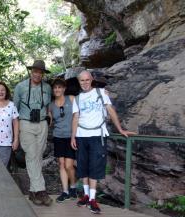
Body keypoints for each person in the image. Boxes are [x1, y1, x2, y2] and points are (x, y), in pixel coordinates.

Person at [71, 71, 136, 214]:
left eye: (87, 80)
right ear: (79, 81)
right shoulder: (77, 98)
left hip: (97, 135)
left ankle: (93, 199)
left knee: (95, 165)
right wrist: (73, 137)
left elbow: (110, 111)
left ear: (92, 79)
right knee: (83, 166)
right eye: (82, 80)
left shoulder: (101, 93)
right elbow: (76, 118)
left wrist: (120, 129)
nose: (85, 83)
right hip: (81, 135)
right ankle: (86, 195)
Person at [13, 60, 53, 206]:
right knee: (31, 155)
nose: (37, 74)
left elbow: (48, 105)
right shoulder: (20, 87)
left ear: (43, 74)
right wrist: (15, 132)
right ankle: (41, 191)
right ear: (31, 72)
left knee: (38, 155)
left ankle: (32, 191)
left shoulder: (47, 87)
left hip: (42, 124)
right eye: (35, 71)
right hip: (25, 123)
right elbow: (14, 110)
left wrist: (49, 114)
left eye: (40, 72)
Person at [48, 78, 77, 203]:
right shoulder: (51, 105)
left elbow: (80, 113)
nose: (57, 90)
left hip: (71, 137)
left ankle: (73, 187)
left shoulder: (71, 98)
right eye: (55, 88)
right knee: (61, 164)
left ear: (64, 88)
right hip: (58, 136)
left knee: (69, 165)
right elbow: (49, 122)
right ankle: (65, 191)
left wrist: (103, 92)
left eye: (59, 87)